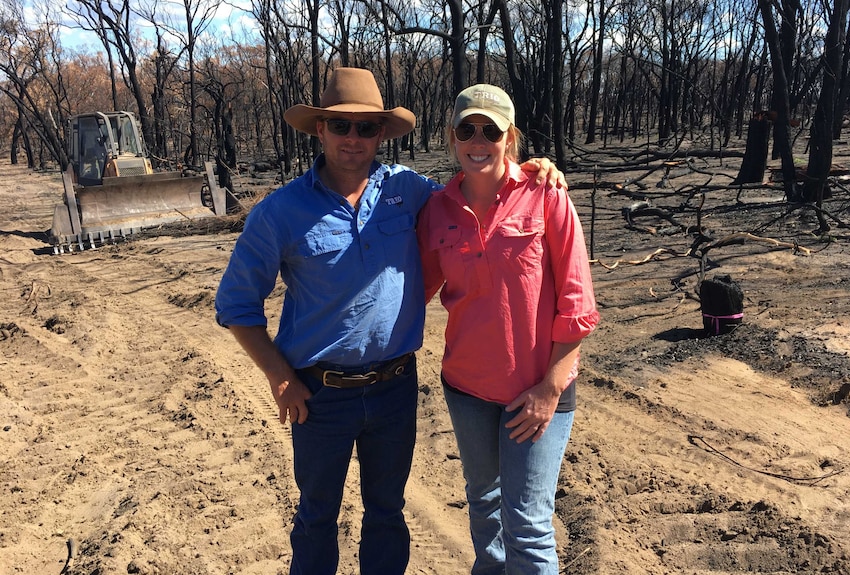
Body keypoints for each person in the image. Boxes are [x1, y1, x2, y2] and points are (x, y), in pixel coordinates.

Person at [215, 68, 564, 575]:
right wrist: (281, 378)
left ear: (382, 132)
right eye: (341, 126)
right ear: (320, 130)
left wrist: (534, 170)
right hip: (318, 396)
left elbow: (476, 184)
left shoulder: (411, 191)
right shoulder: (279, 212)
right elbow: (236, 307)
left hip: (394, 390)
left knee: (387, 514)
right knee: (316, 517)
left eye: (366, 127)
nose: (353, 138)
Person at [417, 84, 600, 574]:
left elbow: (578, 303)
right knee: (483, 503)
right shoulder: (437, 208)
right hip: (467, 387)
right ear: (452, 136)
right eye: (466, 129)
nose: (478, 140)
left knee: (528, 524)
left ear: (510, 137)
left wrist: (549, 388)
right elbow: (412, 287)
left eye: (490, 130)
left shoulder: (546, 195)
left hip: (538, 389)